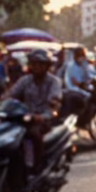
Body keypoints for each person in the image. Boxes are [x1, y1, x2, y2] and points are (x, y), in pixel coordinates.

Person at [6, 48, 62, 176]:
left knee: (33, 134)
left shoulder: (54, 82)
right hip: (23, 118)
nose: (36, 67)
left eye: (39, 64)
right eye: (33, 64)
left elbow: (54, 103)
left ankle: (37, 167)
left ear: (46, 66)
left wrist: (43, 116)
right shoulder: (25, 80)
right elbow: (11, 94)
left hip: (43, 120)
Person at [62, 46, 96, 119]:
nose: (81, 57)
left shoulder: (84, 64)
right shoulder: (71, 66)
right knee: (85, 99)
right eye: (79, 55)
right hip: (73, 89)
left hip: (84, 87)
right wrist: (84, 85)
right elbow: (75, 82)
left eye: (82, 54)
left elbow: (90, 74)